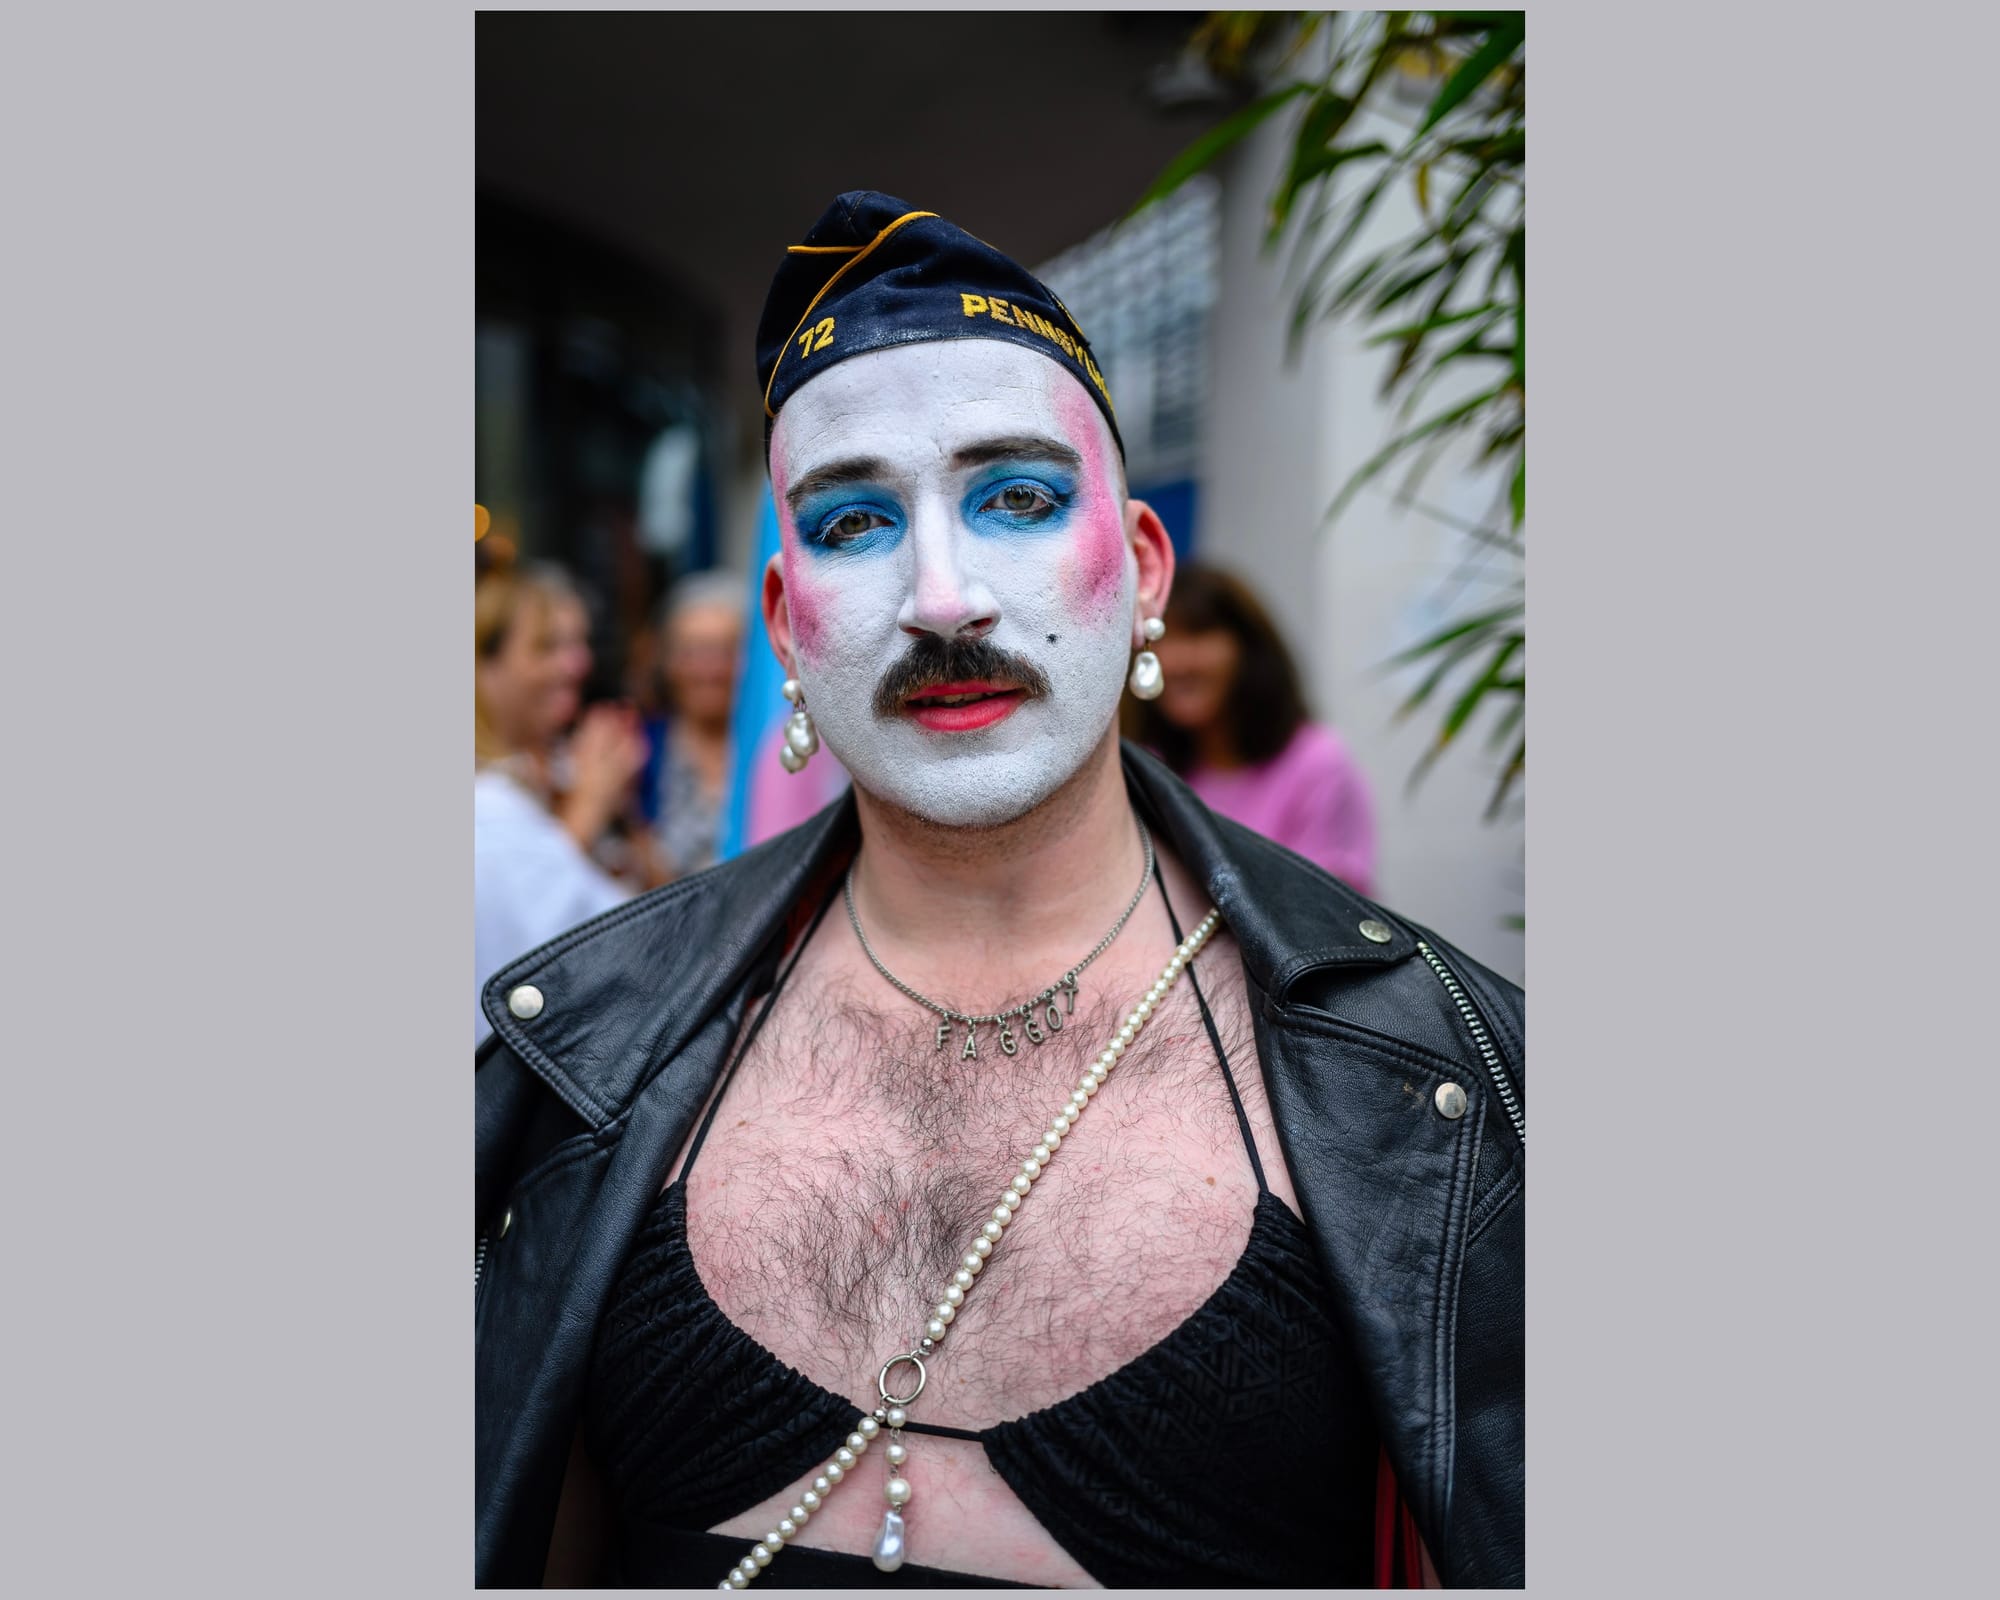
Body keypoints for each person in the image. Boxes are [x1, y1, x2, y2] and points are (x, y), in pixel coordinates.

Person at [476, 192, 1524, 1589]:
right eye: (854, 523)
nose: (945, 597)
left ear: (1142, 574)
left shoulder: (1443, 1075)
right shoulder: (584, 1055)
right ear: (790, 623)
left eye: (1018, 498)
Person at [473, 551, 643, 1047]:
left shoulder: (560, 769)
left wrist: (620, 811)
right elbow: (533, 947)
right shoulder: (485, 803)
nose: (577, 664)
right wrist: (588, 808)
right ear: (483, 665)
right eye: (548, 646)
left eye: (579, 644)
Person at [1126, 563, 1379, 895]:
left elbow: (1331, 911)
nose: (1175, 661)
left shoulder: (1317, 763)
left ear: (1248, 649)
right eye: (1160, 637)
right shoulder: (1144, 764)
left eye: (1197, 636)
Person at [638, 571, 745, 882]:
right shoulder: (639, 752)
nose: (709, 669)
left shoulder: (779, 748)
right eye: (693, 652)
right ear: (668, 661)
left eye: (726, 651)